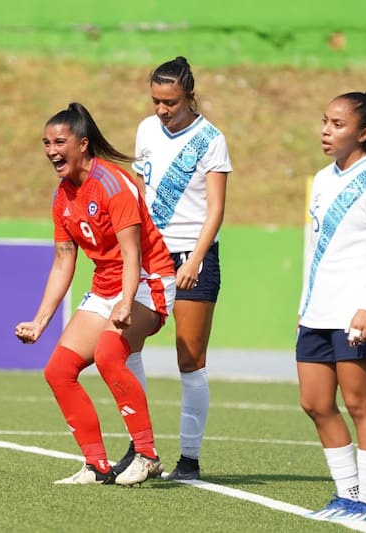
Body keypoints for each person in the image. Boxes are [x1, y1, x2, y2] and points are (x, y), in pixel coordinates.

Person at [15, 102, 176, 486]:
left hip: (148, 281)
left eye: (59, 141)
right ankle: (96, 465)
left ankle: (147, 455)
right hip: (107, 286)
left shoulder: (113, 183)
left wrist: (125, 300)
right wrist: (40, 321)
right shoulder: (62, 196)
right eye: (45, 143)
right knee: (58, 371)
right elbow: (62, 260)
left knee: (108, 354)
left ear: (83, 144)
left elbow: (133, 252)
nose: (51, 150)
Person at [114, 56, 232, 481]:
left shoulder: (211, 139)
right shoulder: (147, 130)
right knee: (126, 346)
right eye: (156, 100)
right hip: (150, 256)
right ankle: (141, 447)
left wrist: (195, 261)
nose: (162, 110)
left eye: (171, 102)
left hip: (192, 259)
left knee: (190, 359)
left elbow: (215, 209)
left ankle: (189, 460)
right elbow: (141, 191)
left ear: (189, 97)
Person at [299, 90, 366, 523]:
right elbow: (313, 250)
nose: (327, 130)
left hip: (358, 315)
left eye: (337, 124)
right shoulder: (323, 179)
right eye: (325, 121)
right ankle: (347, 495)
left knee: (360, 404)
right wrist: (303, 309)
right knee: (315, 403)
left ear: (363, 132)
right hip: (317, 313)